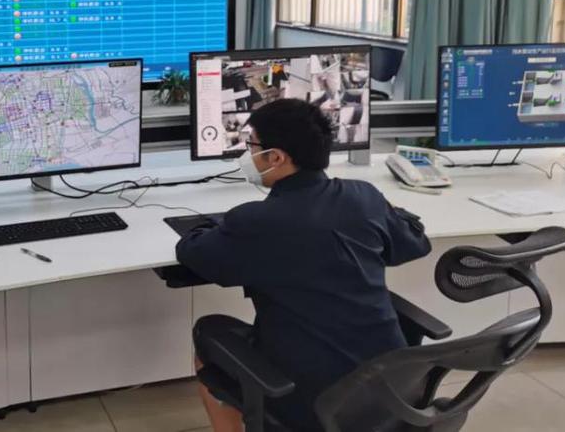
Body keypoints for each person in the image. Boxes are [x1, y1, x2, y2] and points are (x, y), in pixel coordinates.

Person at [176, 98, 431, 431]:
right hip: (393, 388)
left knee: (208, 333)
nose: (248, 155)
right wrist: (387, 210)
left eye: (252, 146)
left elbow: (193, 253)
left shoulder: (257, 221)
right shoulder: (364, 196)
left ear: (276, 157)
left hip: (311, 400)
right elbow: (413, 243)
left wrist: (215, 226)